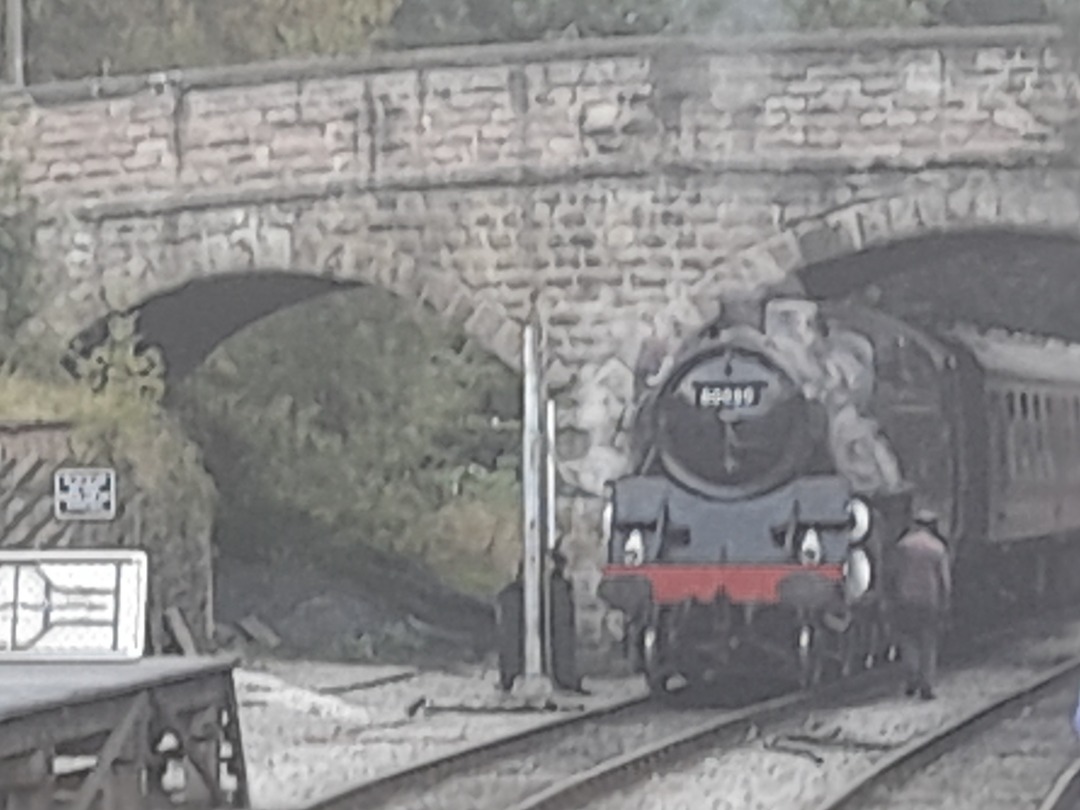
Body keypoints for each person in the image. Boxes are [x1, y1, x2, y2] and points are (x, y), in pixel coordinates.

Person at [889, 508, 952, 700]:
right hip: (929, 601)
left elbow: (893, 573)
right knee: (928, 644)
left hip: (906, 599)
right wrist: (946, 602)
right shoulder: (938, 548)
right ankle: (926, 686)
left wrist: (891, 597)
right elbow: (945, 580)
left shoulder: (903, 545)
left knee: (908, 641)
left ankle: (911, 679)